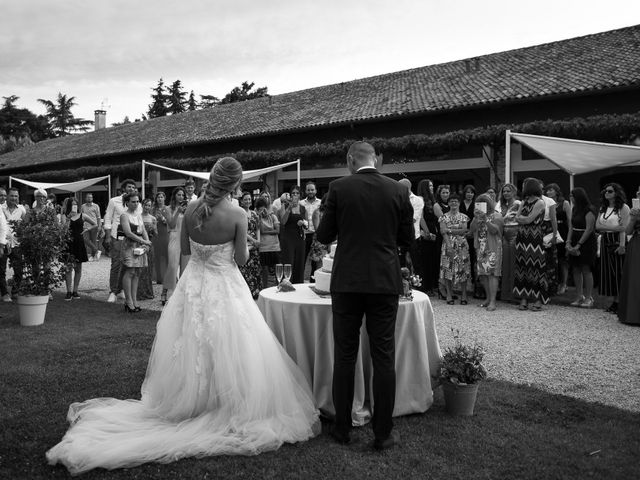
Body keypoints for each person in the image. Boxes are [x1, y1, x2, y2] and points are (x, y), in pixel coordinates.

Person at [46, 157, 319, 475]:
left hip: (195, 284)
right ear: (234, 184)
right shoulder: (238, 214)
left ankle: (192, 401)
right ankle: (224, 404)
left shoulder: (190, 209)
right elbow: (242, 258)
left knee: (191, 342)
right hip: (224, 284)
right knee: (231, 341)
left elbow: (187, 252)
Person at [316, 141, 413, 450]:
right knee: (384, 356)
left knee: (344, 355)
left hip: (347, 281)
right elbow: (407, 238)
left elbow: (324, 236)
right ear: (377, 160)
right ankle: (383, 432)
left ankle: (342, 428)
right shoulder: (397, 190)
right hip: (384, 280)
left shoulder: (339, 188)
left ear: (349, 161)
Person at [104, 179, 141, 303]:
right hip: (117, 237)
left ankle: (122, 290)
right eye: (129, 186)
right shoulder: (114, 201)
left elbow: (138, 219)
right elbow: (108, 218)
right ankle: (113, 292)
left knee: (129, 265)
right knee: (116, 264)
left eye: (133, 187)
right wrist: (108, 236)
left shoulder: (137, 203)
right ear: (123, 188)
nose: (131, 189)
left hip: (132, 238)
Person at [513, 178, 547, 311]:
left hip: (534, 238)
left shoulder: (540, 202)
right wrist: (522, 219)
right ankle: (524, 298)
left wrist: (522, 219)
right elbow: (517, 217)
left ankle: (538, 299)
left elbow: (528, 219)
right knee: (522, 267)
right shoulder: (524, 201)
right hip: (522, 237)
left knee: (535, 267)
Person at [595, 182, 629, 314]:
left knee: (618, 272)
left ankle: (620, 302)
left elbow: (624, 228)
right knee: (609, 273)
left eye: (610, 191)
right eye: (605, 191)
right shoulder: (603, 208)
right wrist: (614, 227)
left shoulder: (623, 208)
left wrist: (622, 245)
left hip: (617, 241)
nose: (606, 193)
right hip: (605, 240)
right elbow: (598, 226)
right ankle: (615, 301)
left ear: (616, 193)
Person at [469, 194, 504, 311]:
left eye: (485, 203)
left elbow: (495, 230)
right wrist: (475, 218)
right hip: (481, 247)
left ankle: (493, 301)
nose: (484, 205)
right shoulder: (477, 216)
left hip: (493, 247)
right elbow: (471, 230)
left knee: (493, 274)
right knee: (483, 274)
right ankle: (488, 298)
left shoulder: (497, 215)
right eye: (480, 203)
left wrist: (485, 220)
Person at [118, 192, 151, 312]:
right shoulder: (124, 215)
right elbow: (128, 233)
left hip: (140, 246)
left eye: (137, 201)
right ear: (127, 202)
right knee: (130, 271)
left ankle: (134, 300)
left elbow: (143, 230)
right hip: (129, 246)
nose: (136, 204)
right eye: (133, 201)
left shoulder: (138, 215)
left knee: (137, 272)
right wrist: (144, 241)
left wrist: (147, 242)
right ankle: (128, 301)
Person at [566, 188, 597, 308]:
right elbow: (571, 227)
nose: (571, 198)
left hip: (586, 241)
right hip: (574, 237)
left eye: (572, 196)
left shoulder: (589, 209)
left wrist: (578, 244)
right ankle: (579, 296)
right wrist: (568, 242)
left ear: (579, 197)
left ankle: (589, 297)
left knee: (586, 268)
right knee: (575, 269)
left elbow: (589, 229)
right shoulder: (574, 209)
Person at [60, 197, 96, 300]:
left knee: (78, 268)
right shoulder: (64, 216)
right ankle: (68, 291)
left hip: (79, 242)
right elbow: (64, 230)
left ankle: (75, 291)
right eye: (72, 205)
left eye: (76, 205)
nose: (74, 206)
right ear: (69, 206)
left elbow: (95, 224)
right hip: (68, 243)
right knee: (68, 268)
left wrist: (87, 229)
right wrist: (68, 218)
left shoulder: (83, 215)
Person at [439, 193, 471, 305]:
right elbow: (443, 231)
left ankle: (464, 294)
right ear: (448, 203)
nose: (453, 203)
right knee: (448, 269)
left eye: (456, 201)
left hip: (462, 245)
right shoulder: (443, 217)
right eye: (451, 201)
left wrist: (450, 230)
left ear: (459, 203)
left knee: (463, 269)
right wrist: (448, 245)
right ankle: (449, 293)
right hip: (447, 244)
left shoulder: (463, 216)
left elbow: (464, 230)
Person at [618, 186, 640, 324]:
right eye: (638, 191)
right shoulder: (635, 209)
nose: (638, 193)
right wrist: (633, 219)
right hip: (637, 244)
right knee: (635, 278)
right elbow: (628, 232)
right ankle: (633, 315)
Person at [544, 183, 571, 294]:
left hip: (562, 231)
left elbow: (569, 220)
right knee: (552, 259)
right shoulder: (546, 203)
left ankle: (564, 284)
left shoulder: (564, 203)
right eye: (547, 190)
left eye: (551, 190)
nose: (548, 192)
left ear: (557, 191)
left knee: (562, 260)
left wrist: (570, 235)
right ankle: (553, 283)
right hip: (550, 231)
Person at [162, 187, 188, 303]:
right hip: (174, 236)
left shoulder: (188, 209)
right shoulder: (167, 209)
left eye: (183, 195)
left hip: (186, 239)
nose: (181, 197)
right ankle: (165, 291)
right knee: (172, 266)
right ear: (174, 196)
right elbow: (171, 225)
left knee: (185, 268)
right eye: (179, 195)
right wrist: (178, 211)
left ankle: (181, 295)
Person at [497, 183, 521, 303]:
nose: (506, 193)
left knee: (513, 264)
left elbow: (521, 219)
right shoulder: (501, 205)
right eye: (504, 191)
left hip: (515, 233)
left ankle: (514, 294)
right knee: (505, 264)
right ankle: (505, 294)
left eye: (508, 191)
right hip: (504, 234)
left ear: (513, 192)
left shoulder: (518, 204)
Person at [279, 185, 307, 284]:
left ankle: (299, 284)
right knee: (288, 261)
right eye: (293, 193)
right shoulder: (285, 206)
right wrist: (289, 208)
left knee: (299, 262)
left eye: (297, 193)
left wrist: (303, 223)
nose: (295, 195)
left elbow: (307, 224)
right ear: (290, 195)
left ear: (300, 195)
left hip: (300, 238)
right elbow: (282, 222)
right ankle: (286, 284)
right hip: (288, 238)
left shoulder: (303, 208)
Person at [2, 187, 26, 301]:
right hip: (2, 244)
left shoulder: (21, 210)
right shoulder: (1, 208)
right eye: (12, 195)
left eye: (16, 196)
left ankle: (15, 291)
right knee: (1, 270)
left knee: (19, 269)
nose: (14, 198)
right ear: (7, 196)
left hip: (16, 244)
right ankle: (4, 293)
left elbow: (25, 225)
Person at [416, 179, 439, 294]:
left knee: (432, 260)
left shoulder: (432, 199)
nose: (432, 187)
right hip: (425, 231)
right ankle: (425, 287)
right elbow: (421, 218)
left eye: (432, 185)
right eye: (430, 186)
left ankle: (432, 285)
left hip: (433, 229)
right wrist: (428, 232)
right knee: (425, 261)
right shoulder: (420, 200)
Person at [238, 191, 262, 298]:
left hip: (255, 246)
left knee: (255, 269)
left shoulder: (254, 214)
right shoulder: (239, 213)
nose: (248, 201)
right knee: (245, 269)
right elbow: (241, 230)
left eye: (249, 199)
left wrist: (258, 240)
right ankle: (245, 294)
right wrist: (252, 240)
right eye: (245, 199)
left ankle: (256, 292)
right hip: (245, 243)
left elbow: (258, 228)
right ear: (241, 202)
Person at [398, 179, 424, 273]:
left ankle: (419, 286)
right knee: (400, 263)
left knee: (416, 263)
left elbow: (412, 219)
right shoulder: (397, 198)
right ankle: (402, 285)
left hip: (414, 236)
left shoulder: (418, 200)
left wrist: (398, 218)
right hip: (399, 237)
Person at [256, 195, 280, 288]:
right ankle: (265, 288)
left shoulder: (273, 217)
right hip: (263, 247)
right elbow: (260, 230)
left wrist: (265, 232)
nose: (264, 211)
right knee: (264, 270)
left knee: (276, 269)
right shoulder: (258, 218)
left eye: (265, 208)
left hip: (274, 247)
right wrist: (260, 217)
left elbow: (277, 231)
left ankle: (278, 287)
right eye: (261, 209)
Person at [300, 181, 322, 281]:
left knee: (315, 260)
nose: (310, 191)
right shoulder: (301, 203)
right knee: (302, 259)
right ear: (305, 191)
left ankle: (313, 282)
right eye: (308, 190)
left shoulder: (321, 203)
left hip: (316, 234)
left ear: (316, 191)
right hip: (305, 234)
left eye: (312, 189)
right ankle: (300, 281)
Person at [137, 198, 157, 300]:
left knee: (148, 269)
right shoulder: (137, 217)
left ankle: (147, 292)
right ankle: (138, 292)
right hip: (139, 244)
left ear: (151, 206)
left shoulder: (153, 218)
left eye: (149, 205)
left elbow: (156, 234)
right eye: (145, 205)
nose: (147, 207)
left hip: (149, 245)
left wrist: (154, 228)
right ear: (142, 205)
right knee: (140, 268)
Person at [152, 191, 169, 296]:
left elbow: (172, 222)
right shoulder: (153, 209)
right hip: (156, 234)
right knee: (156, 256)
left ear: (164, 198)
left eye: (162, 197)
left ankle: (167, 277)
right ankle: (158, 277)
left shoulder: (167, 209)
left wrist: (164, 219)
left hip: (165, 233)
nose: (160, 199)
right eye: (158, 197)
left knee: (166, 256)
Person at [81, 193, 102, 262]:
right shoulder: (82, 206)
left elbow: (98, 217)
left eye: (91, 197)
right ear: (85, 198)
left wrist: (99, 226)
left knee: (94, 241)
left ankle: (93, 256)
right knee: (85, 239)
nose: (90, 198)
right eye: (88, 197)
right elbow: (81, 216)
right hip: (85, 226)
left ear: (92, 198)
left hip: (94, 226)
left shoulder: (96, 206)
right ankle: (97, 251)